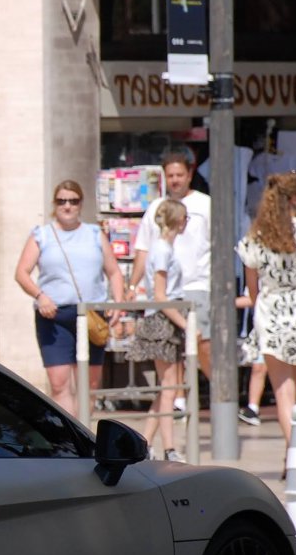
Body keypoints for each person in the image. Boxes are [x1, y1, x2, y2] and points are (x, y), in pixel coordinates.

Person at [236, 171, 296, 457]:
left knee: (283, 394)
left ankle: (295, 454)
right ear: (295, 199)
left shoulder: (255, 239)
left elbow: (252, 290)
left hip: (271, 312)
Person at [14, 179, 124, 416]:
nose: (67, 206)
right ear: (55, 204)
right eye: (62, 201)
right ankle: (71, 444)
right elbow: (21, 273)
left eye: (73, 201)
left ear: (80, 204)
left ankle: (85, 435)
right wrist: (40, 296)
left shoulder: (95, 233)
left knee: (90, 385)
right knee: (59, 383)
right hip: (54, 315)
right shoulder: (42, 235)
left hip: (92, 314)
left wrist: (117, 303)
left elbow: (114, 272)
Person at [130, 151, 213, 381]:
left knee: (202, 343)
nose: (175, 180)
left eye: (179, 174)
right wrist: (132, 285)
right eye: (170, 175)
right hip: (165, 292)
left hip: (198, 285)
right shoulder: (156, 207)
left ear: (189, 175)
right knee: (171, 351)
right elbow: (143, 249)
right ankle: (176, 403)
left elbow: (219, 246)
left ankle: (221, 396)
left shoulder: (205, 205)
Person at [127, 199, 190, 461]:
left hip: (166, 319)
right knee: (169, 388)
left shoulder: (162, 249)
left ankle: (147, 443)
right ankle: (169, 448)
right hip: (164, 321)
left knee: (166, 387)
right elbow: (162, 296)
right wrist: (186, 323)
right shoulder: (162, 250)